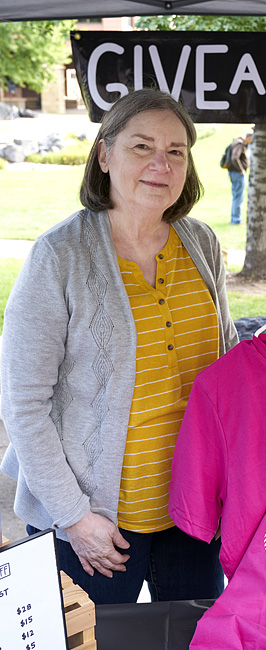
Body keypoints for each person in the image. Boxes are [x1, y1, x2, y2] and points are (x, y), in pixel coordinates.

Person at [0, 87, 239, 605]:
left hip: (194, 512)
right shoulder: (58, 256)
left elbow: (227, 366)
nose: (161, 164)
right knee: (97, 639)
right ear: (104, 154)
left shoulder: (201, 243)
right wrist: (74, 517)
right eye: (142, 147)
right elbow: (23, 404)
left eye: (176, 151)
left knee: (192, 637)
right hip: (94, 524)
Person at [227, 130, 253, 224]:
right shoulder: (240, 144)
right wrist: (241, 169)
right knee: (238, 196)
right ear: (249, 137)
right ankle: (236, 219)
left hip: (234, 173)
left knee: (236, 196)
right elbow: (235, 157)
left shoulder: (238, 142)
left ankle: (234, 218)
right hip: (237, 173)